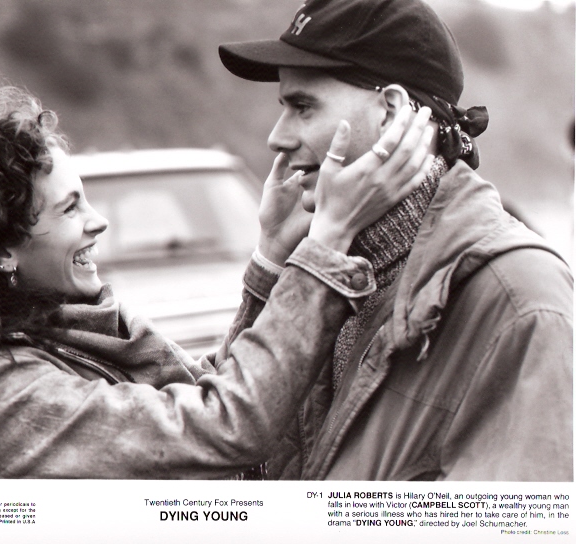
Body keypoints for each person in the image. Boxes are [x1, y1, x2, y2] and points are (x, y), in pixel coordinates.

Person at [0, 85, 434, 478]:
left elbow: (200, 397)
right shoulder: (0, 398)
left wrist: (271, 255)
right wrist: (327, 242)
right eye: (70, 209)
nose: (99, 221)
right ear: (0, 254)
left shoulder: (22, 339)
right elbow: (224, 427)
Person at [219, 0, 573, 480]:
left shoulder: (520, 298)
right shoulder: (322, 272)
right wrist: (271, 269)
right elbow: (227, 441)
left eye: (302, 107)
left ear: (390, 111)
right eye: (283, 108)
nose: (277, 138)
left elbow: (527, 515)